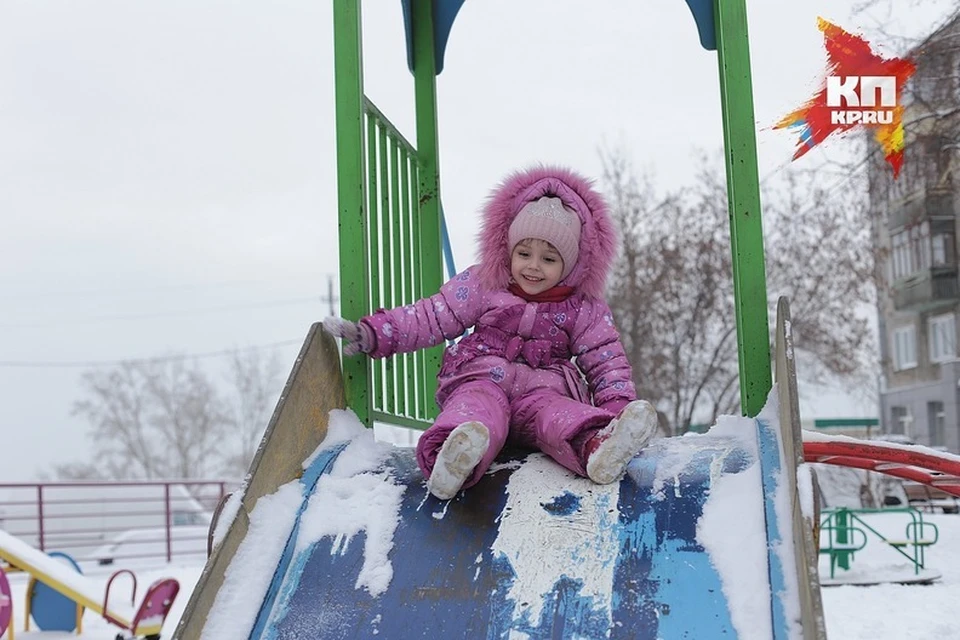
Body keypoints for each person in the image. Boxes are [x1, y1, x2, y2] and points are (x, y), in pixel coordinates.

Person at [324, 165, 657, 500]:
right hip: (482, 376)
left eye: (549, 259)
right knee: (476, 406)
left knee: (559, 416)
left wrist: (617, 407)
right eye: (524, 253)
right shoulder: (484, 284)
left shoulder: (582, 307)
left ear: (570, 265)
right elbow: (433, 316)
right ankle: (455, 456)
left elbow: (606, 360)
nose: (533, 266)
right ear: (509, 250)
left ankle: (599, 446)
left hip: (543, 393)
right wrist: (379, 333)